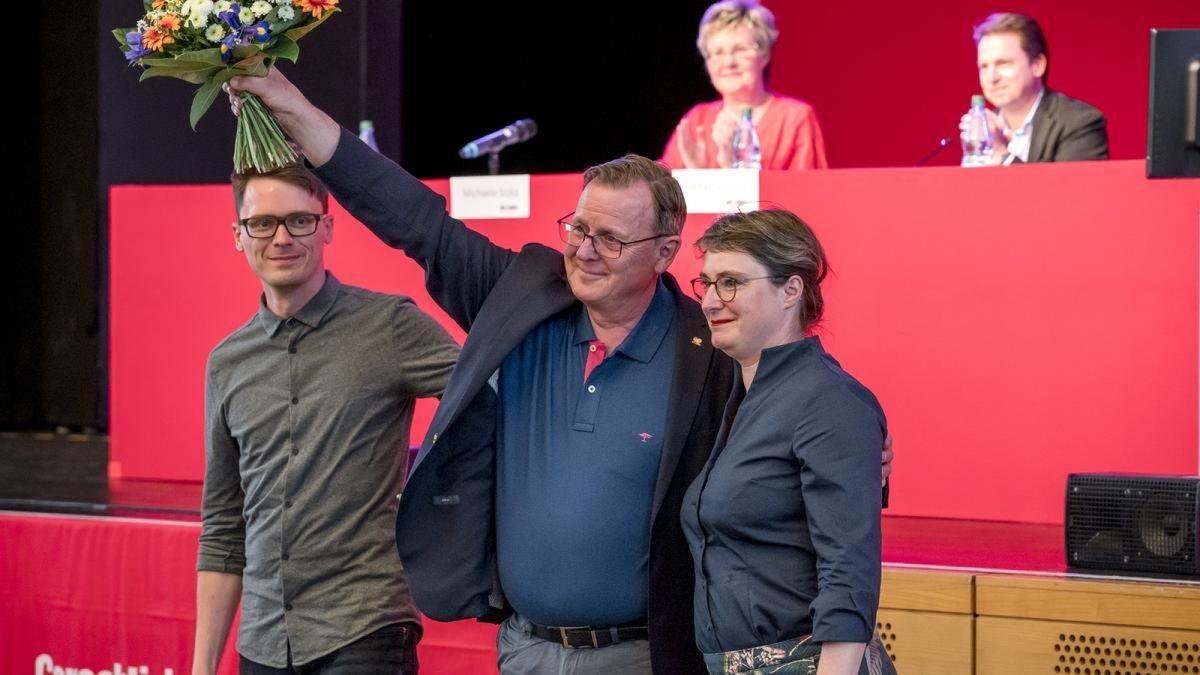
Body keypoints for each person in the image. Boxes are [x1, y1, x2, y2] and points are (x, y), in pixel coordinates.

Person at [225, 68, 891, 675]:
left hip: (646, 654)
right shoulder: (521, 295)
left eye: (611, 239)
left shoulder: (707, 346)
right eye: (578, 226)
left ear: (664, 250)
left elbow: (802, 430)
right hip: (524, 648)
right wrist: (295, 110)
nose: (584, 250)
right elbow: (411, 218)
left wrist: (871, 453)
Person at [194, 164, 460, 675]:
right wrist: (203, 667)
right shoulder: (227, 362)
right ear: (239, 235)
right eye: (263, 223)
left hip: (365, 629)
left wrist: (443, 494)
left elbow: (486, 396)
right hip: (264, 642)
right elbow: (224, 528)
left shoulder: (389, 326)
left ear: (327, 227)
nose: (281, 238)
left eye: (299, 220)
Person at [684, 209, 895, 675]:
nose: (711, 300)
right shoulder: (740, 396)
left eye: (731, 282)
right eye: (707, 283)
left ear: (791, 290)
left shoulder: (830, 400)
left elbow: (848, 572)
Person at [661, 0, 828, 170]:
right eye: (718, 52)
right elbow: (657, 188)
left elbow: (808, 191)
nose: (728, 62)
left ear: (765, 54)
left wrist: (733, 167)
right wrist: (695, 175)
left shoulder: (794, 118)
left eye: (740, 49)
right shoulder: (697, 120)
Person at [960, 12, 1108, 165]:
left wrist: (1002, 154)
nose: (992, 78)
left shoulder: (1079, 122)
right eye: (983, 67)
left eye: (1003, 64)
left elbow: (1071, 188)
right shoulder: (983, 130)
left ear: (1038, 65)